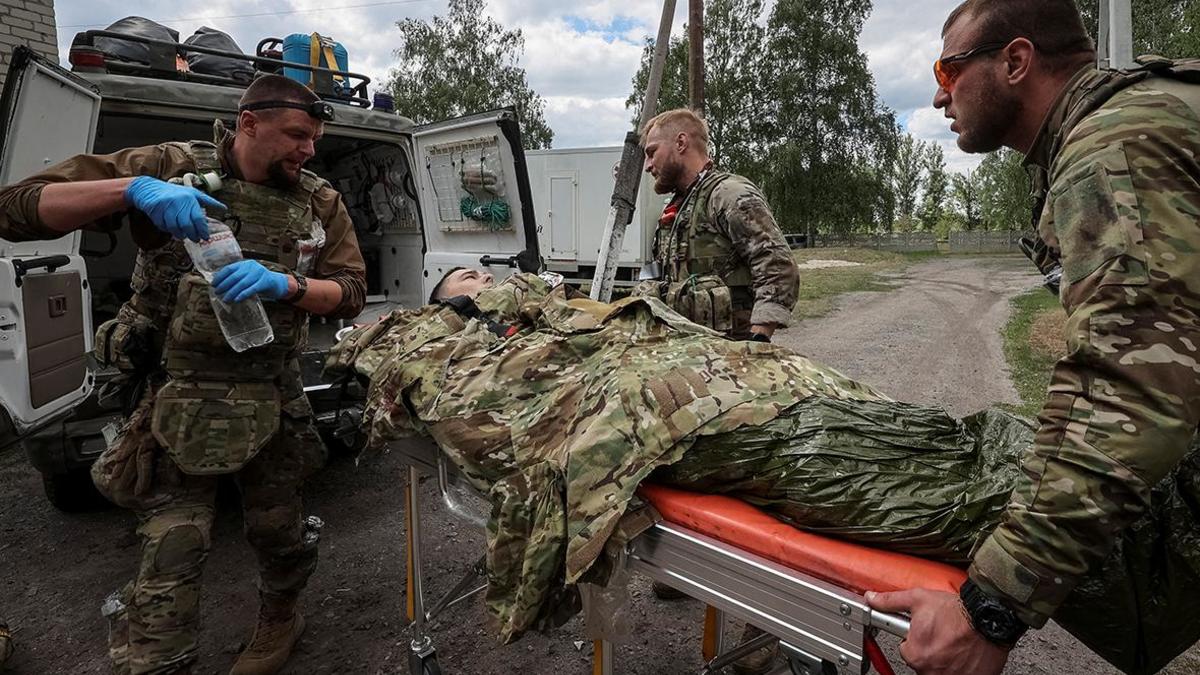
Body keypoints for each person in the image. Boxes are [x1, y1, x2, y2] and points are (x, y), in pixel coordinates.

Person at [329, 271, 1199, 673]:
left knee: (949, 439)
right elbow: (484, 408)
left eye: (485, 270)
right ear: (457, 305)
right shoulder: (466, 346)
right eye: (465, 280)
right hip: (706, 424)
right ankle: (1161, 542)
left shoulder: (560, 301)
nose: (485, 277)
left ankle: (1161, 518)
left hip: (757, 385)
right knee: (959, 477)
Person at [865, 2, 1200, 674]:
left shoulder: (1112, 147)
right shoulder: (1147, 114)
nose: (937, 94)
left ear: (1016, 62)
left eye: (948, 68)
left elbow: (1127, 392)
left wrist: (993, 605)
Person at [0, 74, 367, 674]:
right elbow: (15, 208)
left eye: (315, 139)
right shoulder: (169, 164)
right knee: (173, 544)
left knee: (279, 531)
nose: (309, 150)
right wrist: (132, 191)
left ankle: (280, 619)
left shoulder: (319, 199)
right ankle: (160, 657)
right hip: (178, 393)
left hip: (271, 390)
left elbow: (351, 291)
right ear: (249, 123)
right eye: (298, 135)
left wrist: (290, 285)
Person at [636, 108, 799, 343]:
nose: (648, 165)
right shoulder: (680, 206)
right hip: (689, 351)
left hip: (730, 354)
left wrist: (758, 339)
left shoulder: (728, 195)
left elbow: (777, 266)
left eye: (652, 153)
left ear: (681, 142)